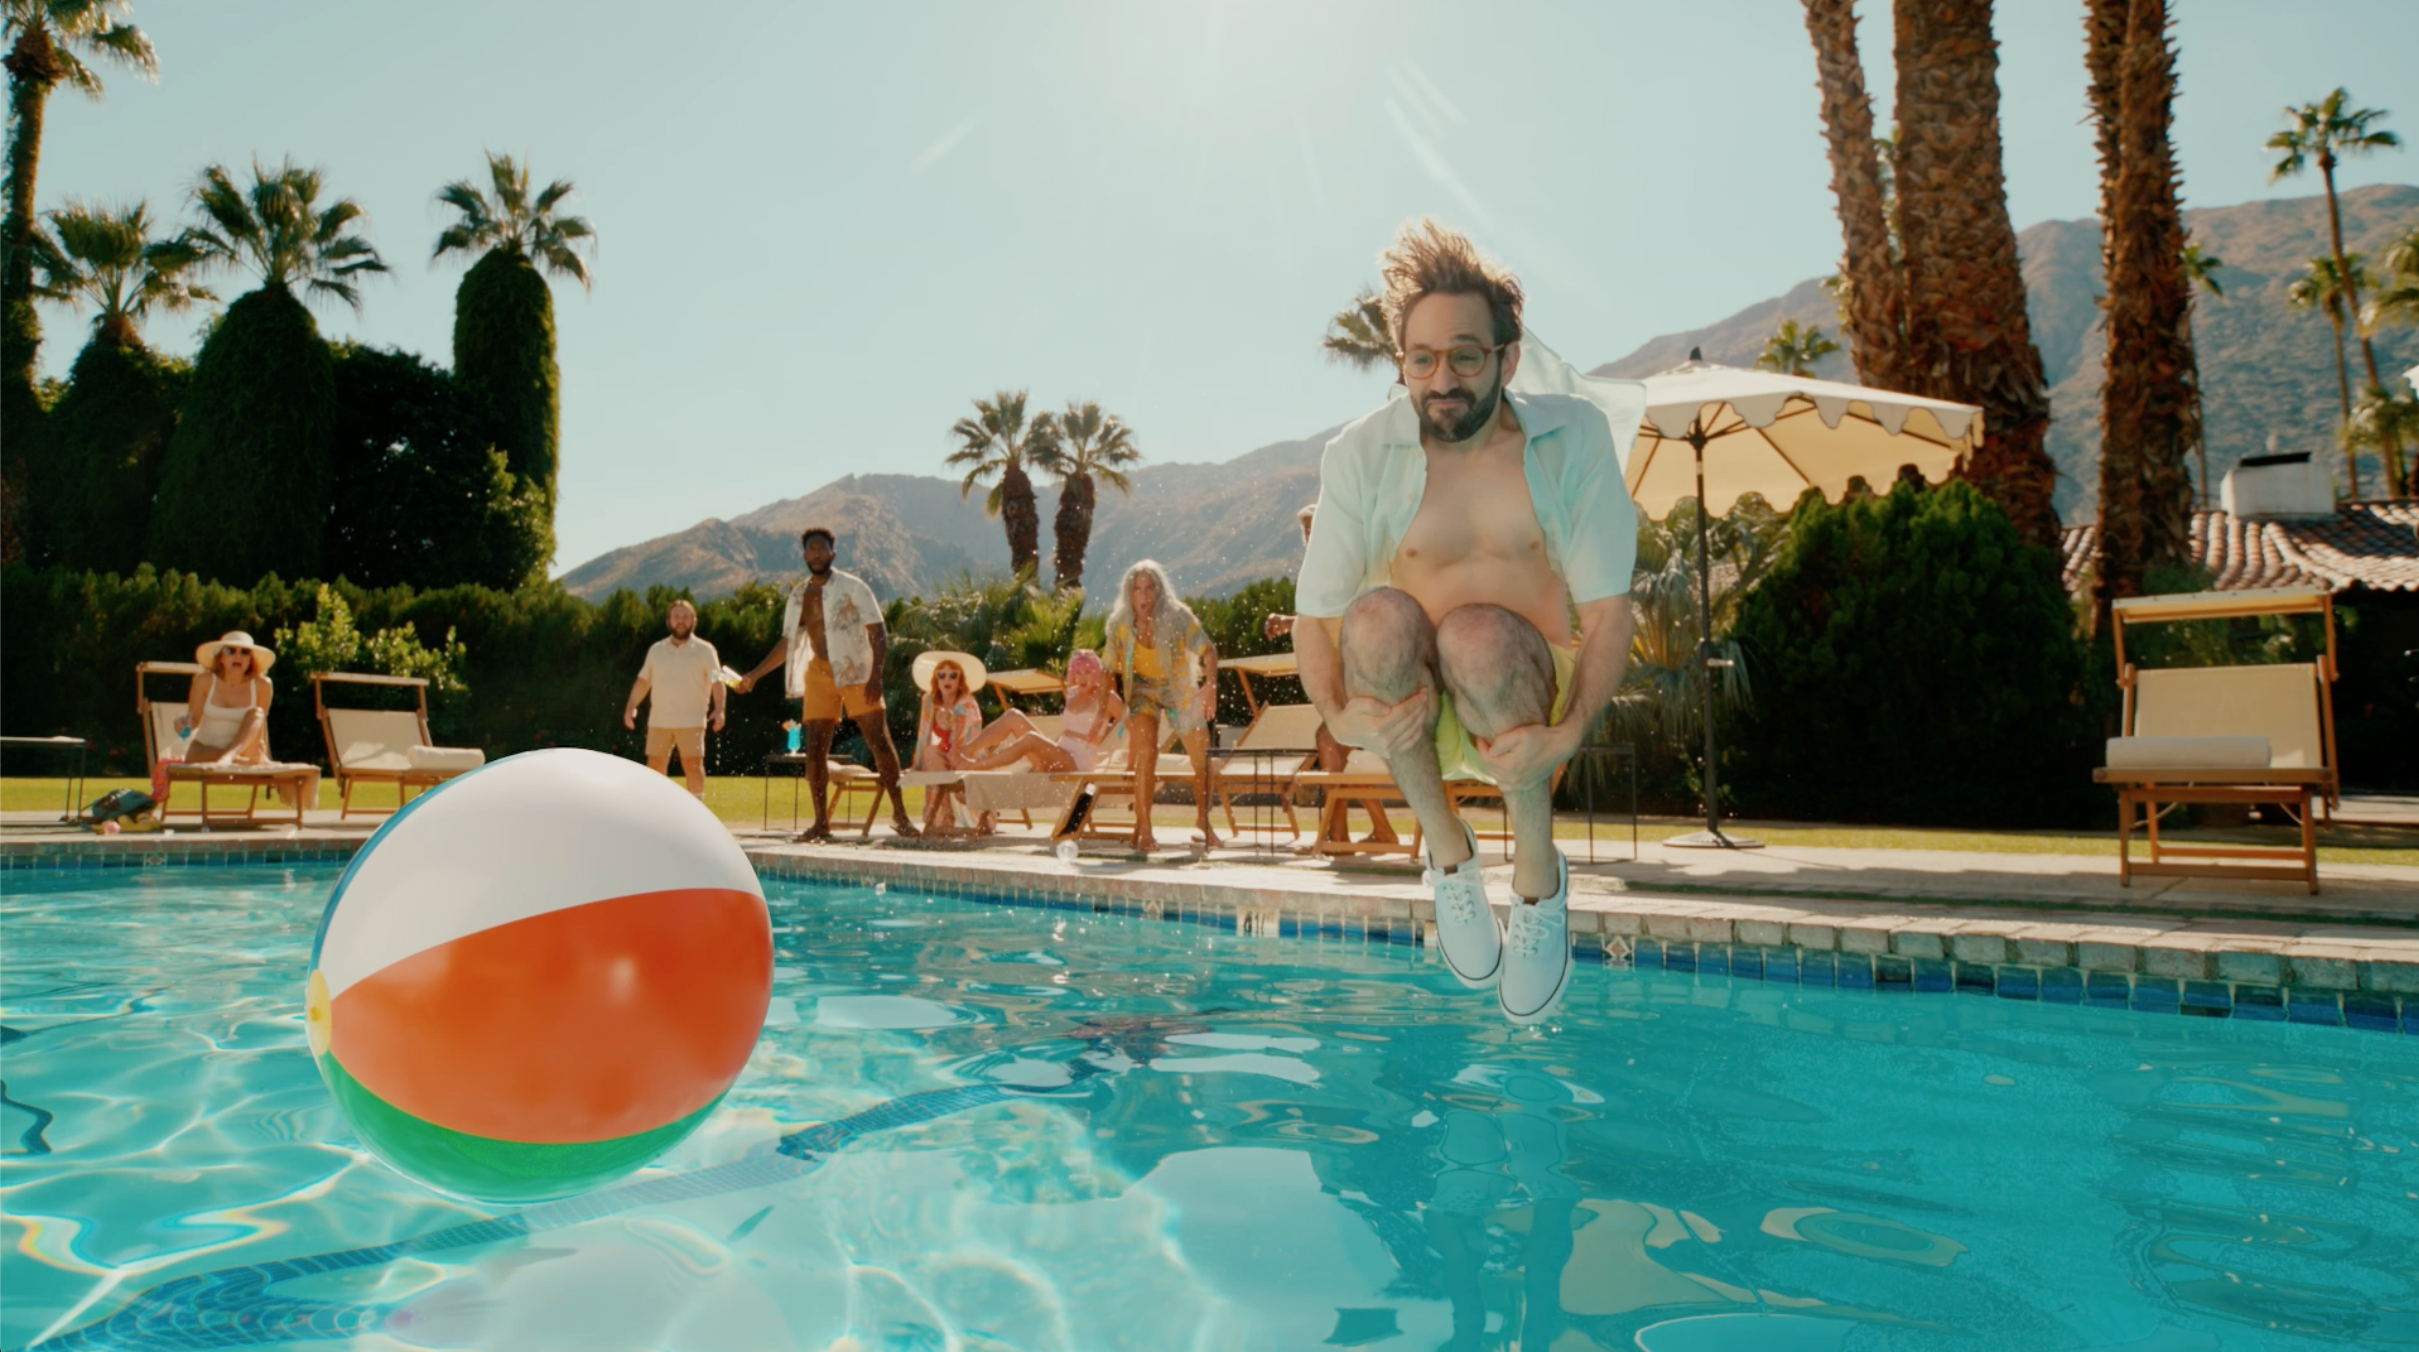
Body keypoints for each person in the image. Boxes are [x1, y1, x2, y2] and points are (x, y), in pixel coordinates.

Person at [1294, 219, 1637, 1025]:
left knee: (1476, 633)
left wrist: (1573, 729)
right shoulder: (1357, 454)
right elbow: (1315, 617)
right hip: (1416, 712)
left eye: (1463, 356)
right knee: (1373, 615)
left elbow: (1608, 609)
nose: (1440, 378)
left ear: (1506, 358)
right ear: (1401, 363)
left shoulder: (1571, 436)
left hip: (1525, 697)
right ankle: (1448, 858)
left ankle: (1536, 880)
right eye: (1420, 359)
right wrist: (1339, 714)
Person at [736, 526, 918, 840]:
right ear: (805, 555)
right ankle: (821, 823)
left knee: (879, 741)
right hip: (818, 672)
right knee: (815, 748)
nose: (816, 554)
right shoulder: (797, 595)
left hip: (856, 671)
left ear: (832, 553)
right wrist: (753, 674)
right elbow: (787, 643)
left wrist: (875, 676)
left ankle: (901, 817)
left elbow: (878, 633)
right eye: (811, 549)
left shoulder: (854, 587)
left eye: (822, 548)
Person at [1265, 502, 1399, 849]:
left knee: (1330, 739)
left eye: (1314, 529)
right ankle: (1354, 830)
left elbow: (1349, 617)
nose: (1309, 538)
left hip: (1369, 676)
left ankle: (1340, 830)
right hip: (1347, 680)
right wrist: (1291, 622)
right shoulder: (1322, 574)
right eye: (1305, 532)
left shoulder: (1348, 566)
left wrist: (1291, 622)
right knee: (1334, 746)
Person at [1104, 559, 1221, 852]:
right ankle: (1144, 828)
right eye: (1137, 589)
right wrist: (1107, 700)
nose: (1144, 596)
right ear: (1129, 593)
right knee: (1146, 752)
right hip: (1142, 688)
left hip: (1178, 689)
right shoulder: (1119, 623)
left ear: (1159, 591)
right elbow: (1107, 667)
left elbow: (1209, 650)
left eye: (1149, 589)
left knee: (1202, 756)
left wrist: (1211, 687)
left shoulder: (1177, 616)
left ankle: (1203, 822)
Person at [161, 632, 320, 806]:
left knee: (256, 714)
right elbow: (194, 720)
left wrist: (262, 752)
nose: (238, 656)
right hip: (204, 750)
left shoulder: (262, 685)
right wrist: (183, 726)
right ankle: (241, 760)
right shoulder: (204, 681)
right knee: (200, 753)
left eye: (244, 652)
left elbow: (259, 725)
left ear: (250, 659)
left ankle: (232, 757)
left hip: (244, 748)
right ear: (220, 657)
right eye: (230, 651)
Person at [956, 648, 1125, 774]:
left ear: (1096, 674)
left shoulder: (1107, 698)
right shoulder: (1072, 693)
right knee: (1013, 715)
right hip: (1058, 755)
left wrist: (1129, 761)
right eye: (1078, 673)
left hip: (1078, 763)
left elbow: (1130, 723)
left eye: (1088, 673)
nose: (1082, 678)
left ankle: (975, 766)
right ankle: (965, 751)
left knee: (1031, 739)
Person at [623, 598, 726, 798]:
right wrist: (630, 707)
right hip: (660, 720)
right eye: (676, 616)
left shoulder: (706, 651)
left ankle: (697, 815)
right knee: (655, 766)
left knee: (693, 765)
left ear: (693, 621)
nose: (681, 620)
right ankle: (657, 813)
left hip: (692, 720)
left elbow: (717, 681)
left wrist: (720, 709)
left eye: (685, 617)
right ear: (669, 620)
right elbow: (644, 682)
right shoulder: (656, 650)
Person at [907, 650, 987, 833]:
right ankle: (943, 814)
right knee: (930, 751)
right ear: (936, 679)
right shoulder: (929, 701)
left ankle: (971, 816)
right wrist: (916, 764)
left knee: (955, 761)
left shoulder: (967, 703)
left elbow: (968, 740)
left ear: (960, 680)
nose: (947, 680)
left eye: (953, 675)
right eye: (941, 675)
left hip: (968, 756)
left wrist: (952, 718)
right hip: (946, 757)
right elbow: (923, 735)